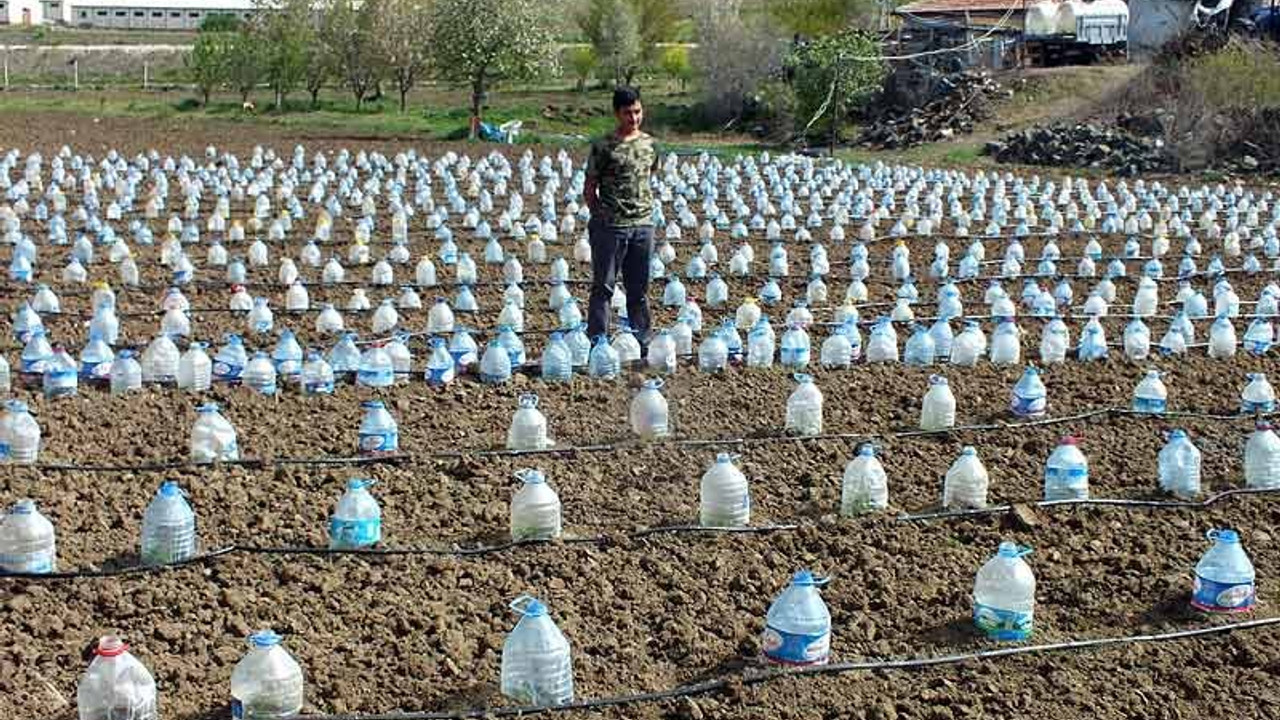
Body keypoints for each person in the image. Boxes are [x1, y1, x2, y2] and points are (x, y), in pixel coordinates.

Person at [584, 86, 659, 348]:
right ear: (617, 114)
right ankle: (598, 342)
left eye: (637, 112)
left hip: (643, 225)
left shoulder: (649, 144)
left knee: (638, 290)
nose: (634, 118)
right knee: (604, 288)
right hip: (611, 226)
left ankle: (643, 340)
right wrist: (600, 215)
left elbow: (648, 176)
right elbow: (589, 187)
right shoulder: (603, 146)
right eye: (628, 113)